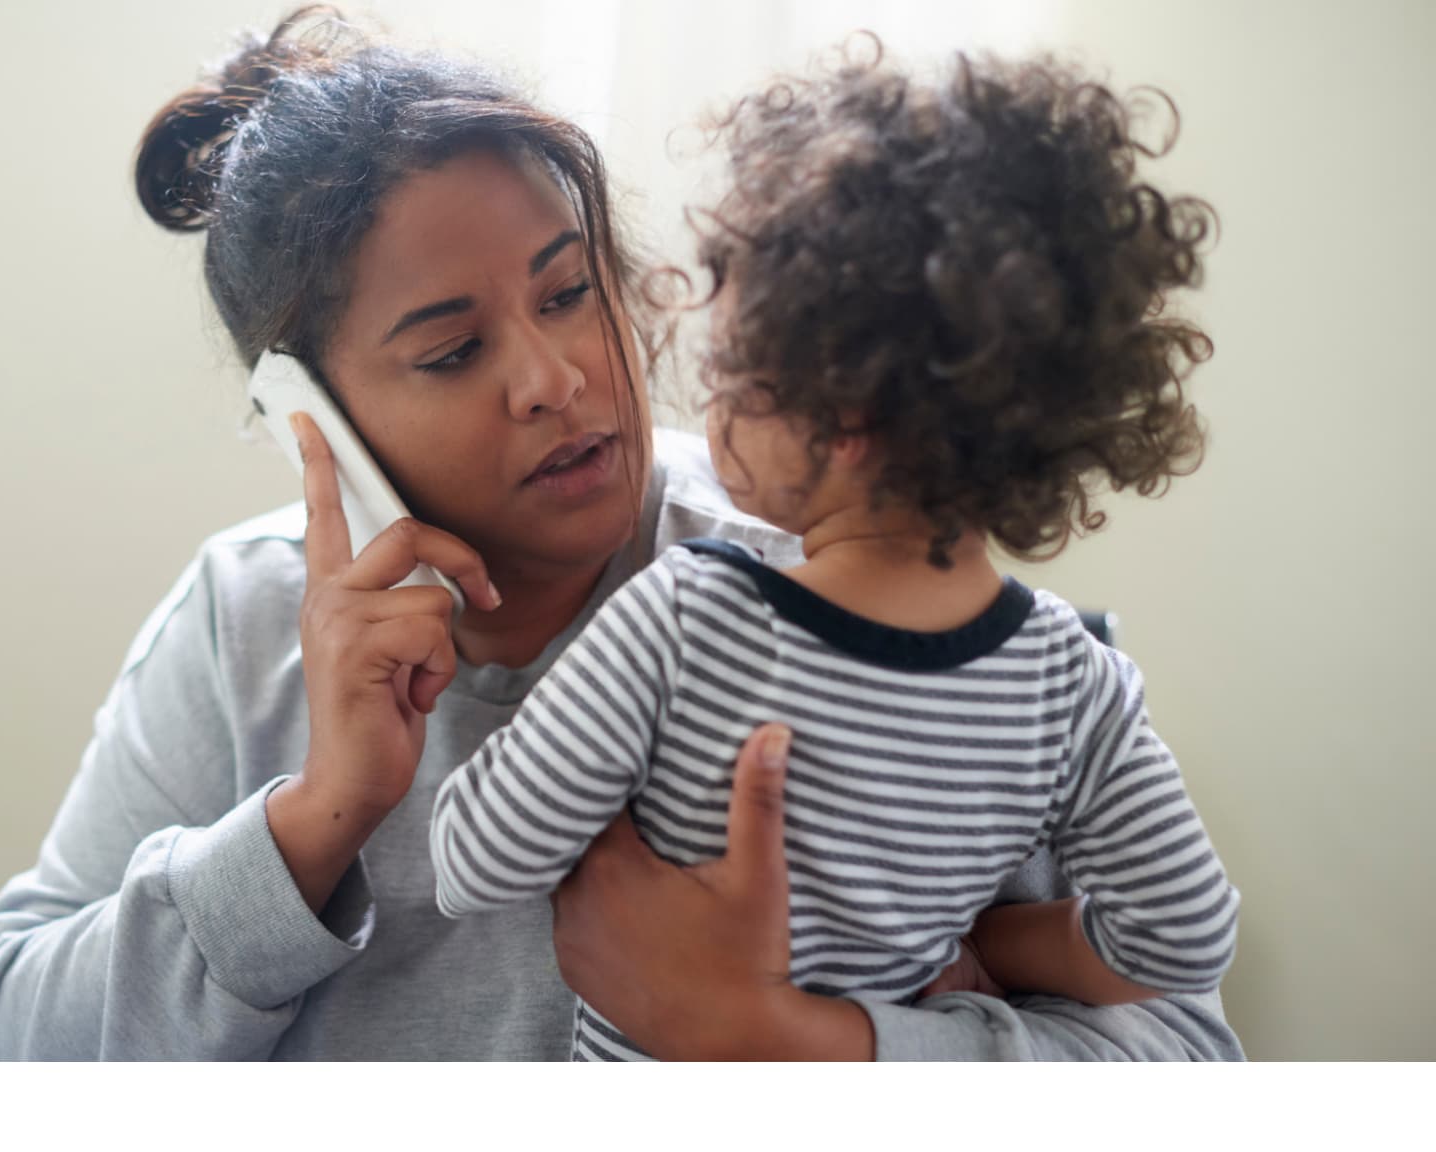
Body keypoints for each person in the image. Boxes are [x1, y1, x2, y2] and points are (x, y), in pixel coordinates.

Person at [0, 8, 1244, 1060]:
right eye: (452, 351)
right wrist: (317, 822)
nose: (556, 377)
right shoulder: (241, 619)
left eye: (570, 290)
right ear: (313, 420)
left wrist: (803, 1046)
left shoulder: (845, 581)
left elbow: (1184, 1055)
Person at [429, 45, 1242, 1061]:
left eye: (731, 369)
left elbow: (474, 865)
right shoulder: (1075, 686)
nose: (708, 404)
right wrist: (984, 947)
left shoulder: (687, 618)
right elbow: (1183, 935)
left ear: (845, 415)